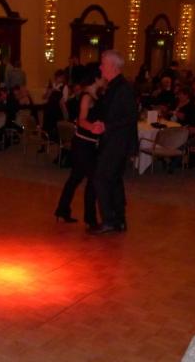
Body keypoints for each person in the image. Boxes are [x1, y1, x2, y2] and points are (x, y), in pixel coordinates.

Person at [89, 50, 138, 235]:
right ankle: (119, 220)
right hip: (115, 141)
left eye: (103, 64)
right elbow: (110, 112)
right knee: (114, 180)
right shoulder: (114, 87)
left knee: (101, 178)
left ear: (113, 66)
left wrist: (106, 126)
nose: (100, 67)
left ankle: (109, 220)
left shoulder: (123, 88)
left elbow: (130, 117)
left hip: (117, 142)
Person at [54, 74, 105, 227]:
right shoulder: (87, 97)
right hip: (83, 144)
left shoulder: (95, 96)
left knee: (75, 178)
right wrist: (93, 127)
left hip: (87, 144)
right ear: (96, 78)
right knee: (93, 180)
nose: (105, 80)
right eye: (102, 77)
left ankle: (62, 210)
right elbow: (81, 120)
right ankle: (90, 219)